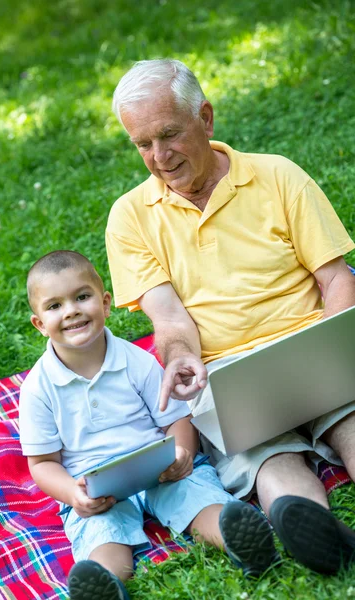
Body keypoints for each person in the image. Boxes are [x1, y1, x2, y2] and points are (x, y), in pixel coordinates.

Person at [106, 59, 355, 575]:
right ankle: (317, 533)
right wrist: (179, 360)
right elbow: (170, 321)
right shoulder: (129, 217)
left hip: (311, 343)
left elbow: (336, 279)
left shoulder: (277, 174)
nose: (159, 157)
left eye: (170, 135)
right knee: (268, 457)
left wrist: (338, 350)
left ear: (206, 118)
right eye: (142, 144)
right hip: (227, 372)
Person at [18, 250, 278, 600]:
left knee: (196, 497)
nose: (71, 311)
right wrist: (73, 495)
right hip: (96, 487)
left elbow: (176, 418)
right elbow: (42, 464)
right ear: (39, 323)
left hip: (158, 466)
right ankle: (105, 584)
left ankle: (241, 541)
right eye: (54, 306)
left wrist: (183, 452)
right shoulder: (37, 389)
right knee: (104, 534)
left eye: (82, 297)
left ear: (105, 302)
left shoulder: (135, 360)